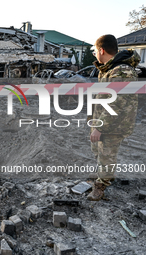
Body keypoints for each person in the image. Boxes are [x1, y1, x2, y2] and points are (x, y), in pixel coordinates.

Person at [87, 34, 140, 201]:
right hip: (103, 121)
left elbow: (117, 103)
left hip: (113, 124)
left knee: (107, 154)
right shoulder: (110, 69)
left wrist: (100, 127)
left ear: (102, 50)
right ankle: (102, 176)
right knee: (99, 151)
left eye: (95, 51)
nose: (94, 54)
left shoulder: (121, 71)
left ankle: (101, 186)